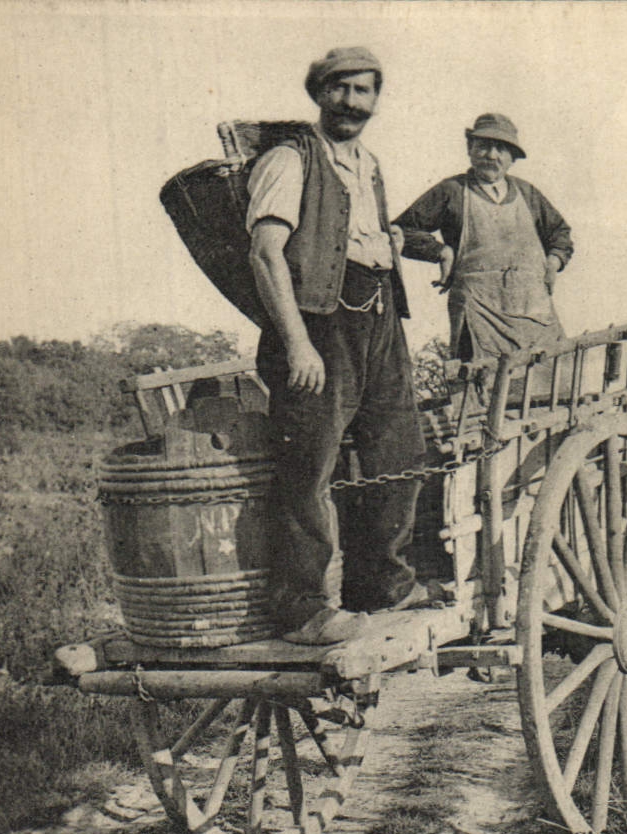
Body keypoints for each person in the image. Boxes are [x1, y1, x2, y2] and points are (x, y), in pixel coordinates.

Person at [246, 46, 426, 644]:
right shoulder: (289, 158)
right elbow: (267, 253)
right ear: (318, 93)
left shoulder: (369, 162)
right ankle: (299, 608)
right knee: (309, 465)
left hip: (379, 315)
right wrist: (297, 346)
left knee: (400, 452)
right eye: (340, 88)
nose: (352, 102)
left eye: (363, 91)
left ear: (377, 100)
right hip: (318, 323)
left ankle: (383, 586)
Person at [394, 113, 574, 366]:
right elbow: (401, 230)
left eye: (500, 149)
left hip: (534, 313)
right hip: (478, 313)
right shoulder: (452, 191)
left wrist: (554, 262)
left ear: (512, 158)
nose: (491, 155)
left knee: (549, 388)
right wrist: (441, 252)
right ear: (470, 149)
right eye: (483, 146)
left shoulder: (528, 194)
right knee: (478, 390)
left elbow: (560, 234)